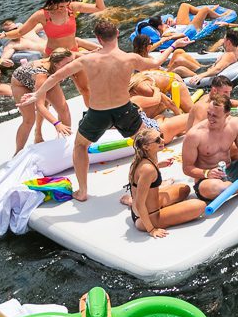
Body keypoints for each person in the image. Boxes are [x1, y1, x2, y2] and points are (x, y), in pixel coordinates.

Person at [32, 18, 155, 200]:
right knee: (146, 143)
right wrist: (173, 46)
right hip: (124, 109)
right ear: (118, 34)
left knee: (80, 146)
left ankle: (82, 192)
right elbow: (155, 63)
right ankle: (148, 184)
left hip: (98, 113)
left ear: (97, 38)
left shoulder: (87, 60)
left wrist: (38, 94)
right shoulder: (130, 58)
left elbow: (56, 76)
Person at [125, 127, 207, 235]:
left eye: (161, 136)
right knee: (200, 206)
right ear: (146, 147)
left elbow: (141, 179)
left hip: (147, 205)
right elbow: (140, 203)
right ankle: (133, 203)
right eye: (157, 140)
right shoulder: (147, 169)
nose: (163, 140)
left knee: (184, 189)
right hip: (148, 217)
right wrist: (151, 230)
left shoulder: (142, 159)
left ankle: (131, 201)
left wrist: (158, 166)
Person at [0, 0, 106, 61]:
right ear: (53, 2)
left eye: (67, 5)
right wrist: (4, 35)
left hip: (73, 50)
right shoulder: (42, 15)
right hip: (55, 55)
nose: (64, 8)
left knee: (84, 86)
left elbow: (99, 8)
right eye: (61, 6)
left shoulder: (71, 7)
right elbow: (20, 32)